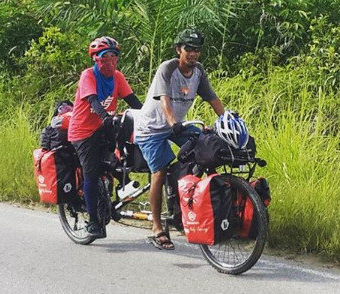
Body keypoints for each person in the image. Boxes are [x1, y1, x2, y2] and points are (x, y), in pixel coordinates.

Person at [134, 28, 225, 250]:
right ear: (179, 50)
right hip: (153, 128)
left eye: (197, 50)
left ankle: (184, 206)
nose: (193, 54)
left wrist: (228, 119)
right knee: (160, 171)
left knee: (206, 148)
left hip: (179, 126)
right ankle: (157, 227)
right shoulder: (168, 68)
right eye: (188, 49)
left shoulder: (199, 72)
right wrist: (173, 121)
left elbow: (212, 99)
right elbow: (164, 98)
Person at [68, 36, 142, 238]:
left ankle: (111, 201)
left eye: (113, 56)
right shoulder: (88, 76)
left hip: (104, 128)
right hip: (83, 132)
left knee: (118, 163)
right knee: (91, 173)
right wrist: (104, 116)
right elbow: (93, 100)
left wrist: (149, 115)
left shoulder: (118, 77)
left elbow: (132, 100)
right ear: (95, 59)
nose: (109, 61)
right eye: (104, 57)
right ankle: (93, 221)